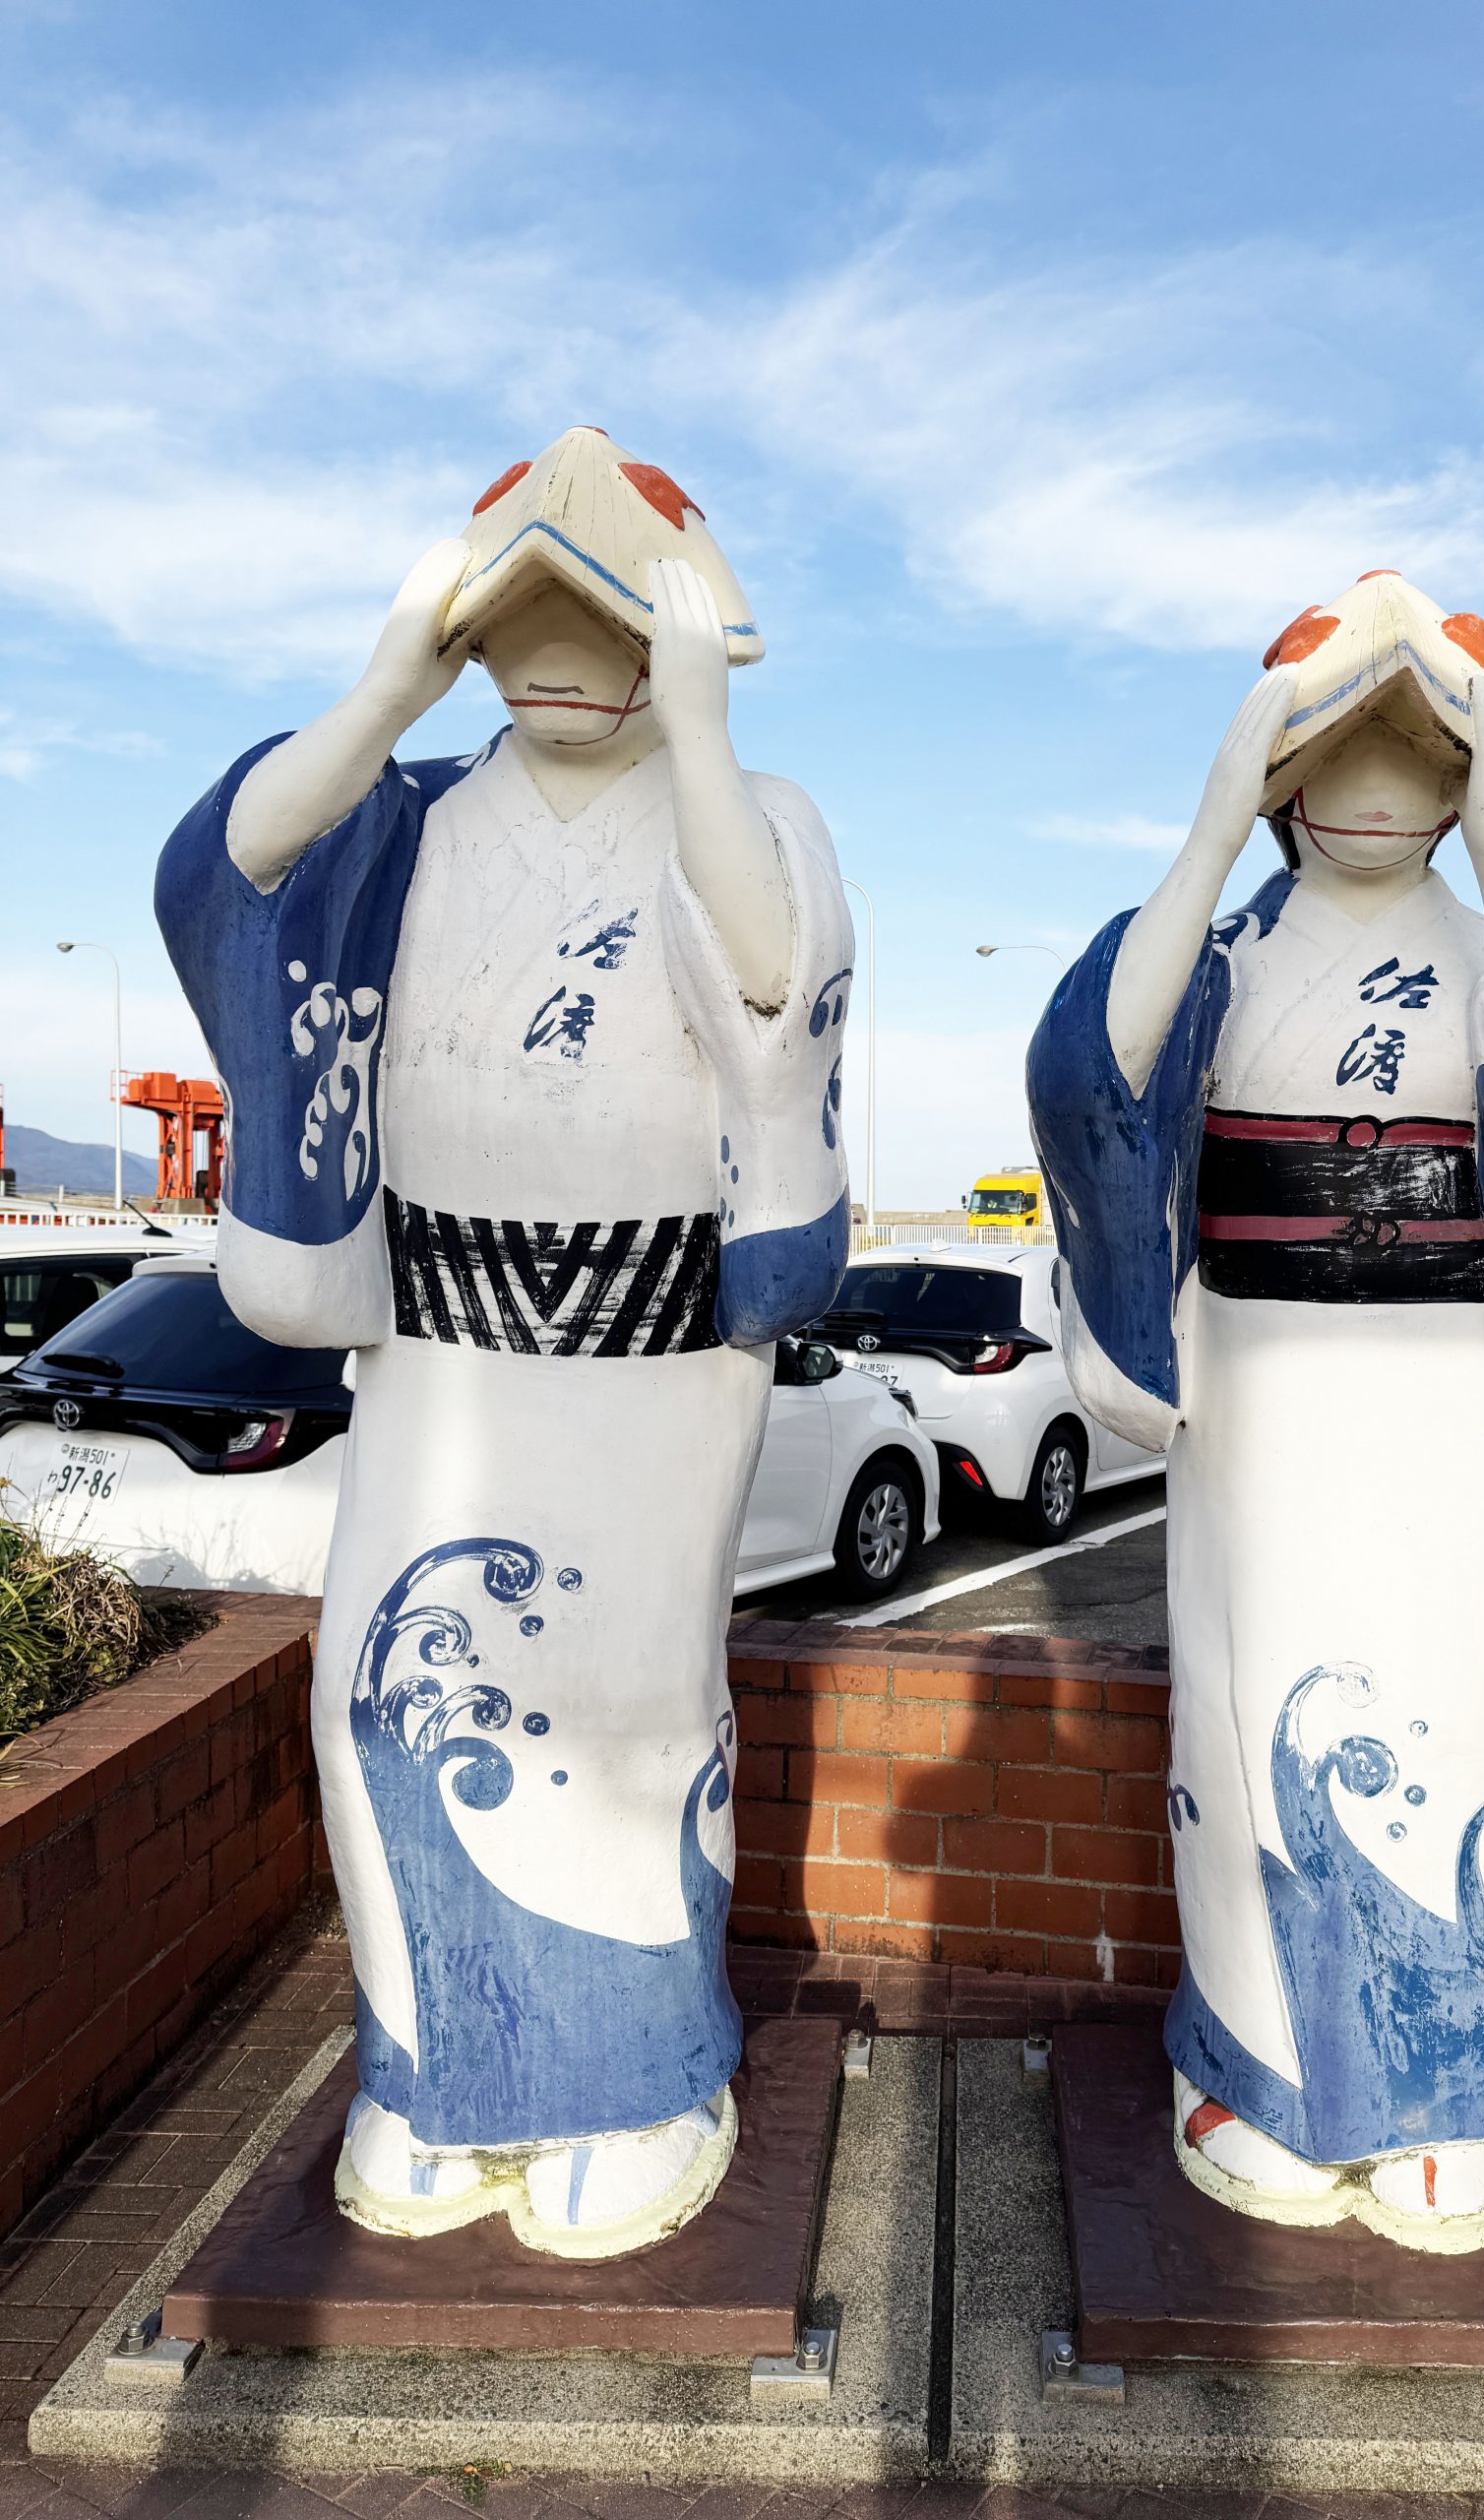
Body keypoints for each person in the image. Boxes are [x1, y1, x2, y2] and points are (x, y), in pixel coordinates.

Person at [157, 429, 851, 2257]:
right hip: (442, 1347)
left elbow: (774, 982)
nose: (562, 654)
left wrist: (698, 737)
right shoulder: (400, 817)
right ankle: (433, 2071)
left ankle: (640, 2076)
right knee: (388, 1685)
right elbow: (232, 877)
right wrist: (386, 688)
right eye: (518, 618)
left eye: (610, 619)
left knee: (627, 1707)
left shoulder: (752, 808)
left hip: (654, 1350)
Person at [1027, 572, 1484, 2251]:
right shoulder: (1222, 953)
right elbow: (1094, 1071)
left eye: (1425, 752)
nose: (1375, 783)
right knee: (1243, 1719)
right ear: (1277, 766)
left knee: (1445, 1717)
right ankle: (1256, 2064)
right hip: (1259, 1378)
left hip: (1439, 1388)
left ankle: (1441, 2083)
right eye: (1331, 745)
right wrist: (1211, 824)